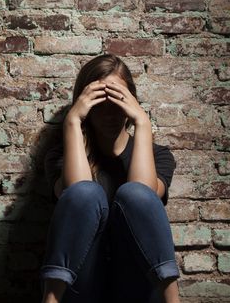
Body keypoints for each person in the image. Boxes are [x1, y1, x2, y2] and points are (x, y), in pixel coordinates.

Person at [39, 54, 181, 303]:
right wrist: (72, 121)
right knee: (86, 192)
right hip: (82, 286)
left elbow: (145, 193)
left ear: (131, 102)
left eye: (116, 100)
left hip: (136, 286)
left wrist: (143, 122)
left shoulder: (159, 156)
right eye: (99, 101)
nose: (109, 112)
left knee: (134, 193)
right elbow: (76, 192)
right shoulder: (61, 157)